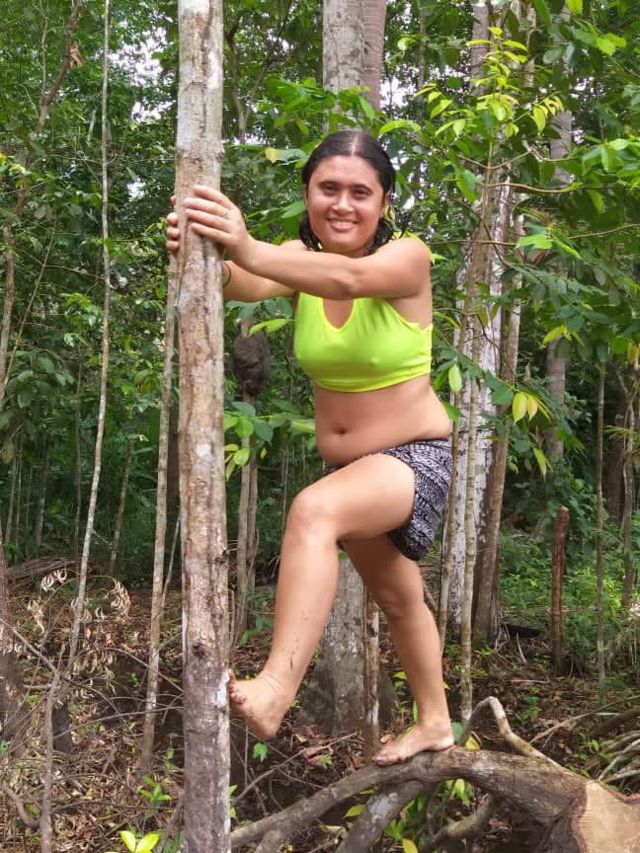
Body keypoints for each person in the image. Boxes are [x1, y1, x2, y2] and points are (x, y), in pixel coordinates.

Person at [166, 130, 454, 765]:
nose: (342, 204)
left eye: (360, 193)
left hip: (415, 459)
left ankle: (276, 689)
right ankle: (436, 721)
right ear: (307, 193)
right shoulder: (299, 263)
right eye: (328, 188)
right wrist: (200, 250)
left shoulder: (406, 259)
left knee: (314, 511)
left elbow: (347, 279)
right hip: (354, 467)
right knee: (399, 598)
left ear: (384, 204)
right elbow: (240, 281)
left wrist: (249, 246)